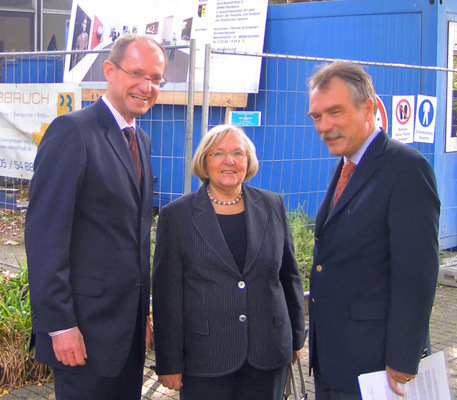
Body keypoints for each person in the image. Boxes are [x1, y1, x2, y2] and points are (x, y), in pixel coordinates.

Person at [25, 34, 167, 400]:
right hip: (82, 333)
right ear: (109, 70)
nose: (146, 86)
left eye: (156, 78)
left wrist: (142, 314)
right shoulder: (73, 131)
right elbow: (45, 237)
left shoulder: (142, 140)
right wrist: (60, 326)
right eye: (137, 72)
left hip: (126, 334)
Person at [307, 60, 440, 399]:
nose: (325, 126)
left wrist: (404, 358)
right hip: (334, 360)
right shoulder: (347, 164)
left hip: (378, 366)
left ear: (368, 108)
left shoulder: (407, 169)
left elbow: (417, 274)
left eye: (335, 112)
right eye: (317, 116)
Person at [152, 124, 306, 400]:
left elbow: (289, 276)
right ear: (204, 160)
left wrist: (296, 336)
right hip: (206, 358)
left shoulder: (272, 205)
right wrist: (169, 362)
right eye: (219, 153)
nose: (230, 161)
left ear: (248, 161)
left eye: (238, 152)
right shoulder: (177, 216)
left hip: (268, 354)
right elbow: (167, 296)